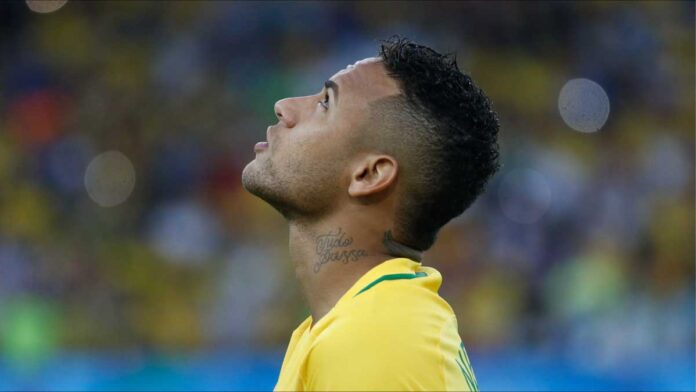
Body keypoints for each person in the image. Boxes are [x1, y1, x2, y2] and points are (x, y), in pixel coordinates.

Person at [242, 36, 499, 391]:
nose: (285, 106)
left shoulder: (376, 339)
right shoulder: (357, 327)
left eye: (325, 103)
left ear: (369, 174)